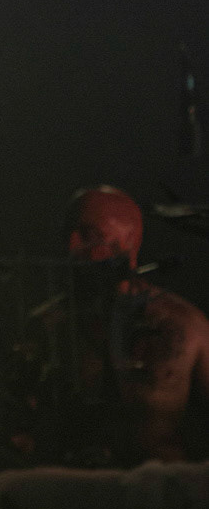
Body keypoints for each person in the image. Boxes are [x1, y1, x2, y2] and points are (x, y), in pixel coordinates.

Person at [54, 186, 209, 466]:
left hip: (160, 486)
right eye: (68, 234)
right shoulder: (50, 325)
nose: (72, 246)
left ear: (127, 241)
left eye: (88, 234)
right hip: (74, 486)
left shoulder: (185, 325)